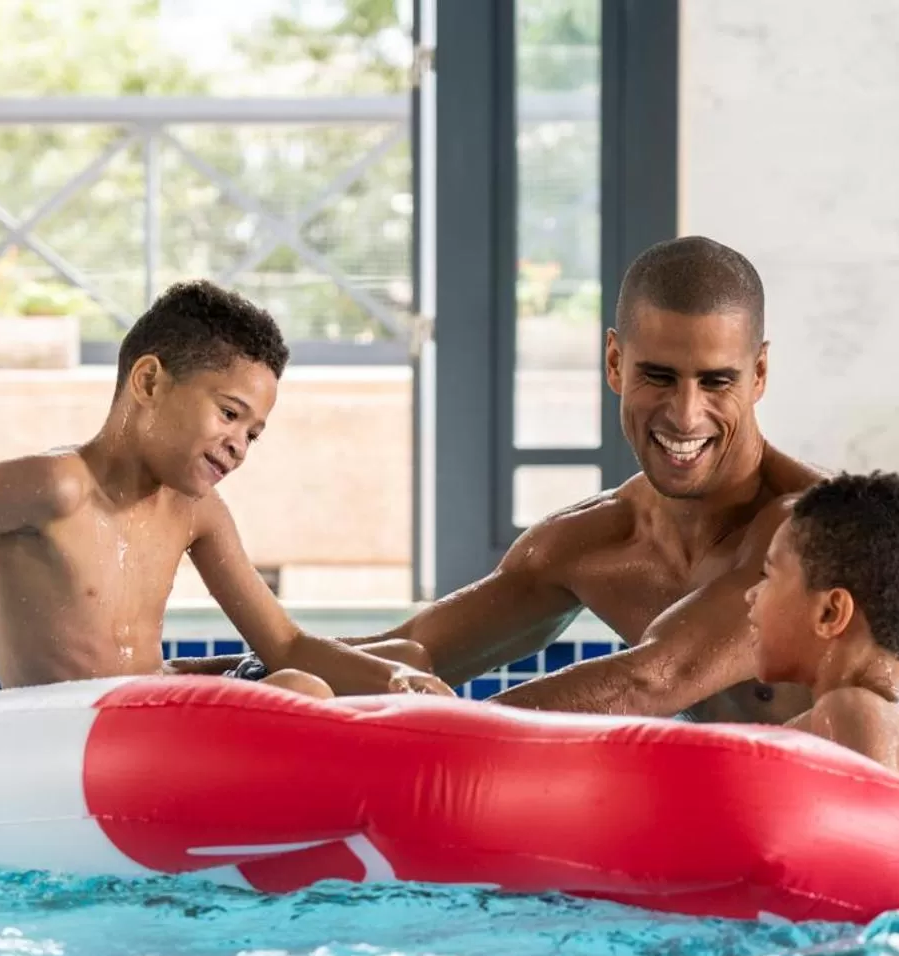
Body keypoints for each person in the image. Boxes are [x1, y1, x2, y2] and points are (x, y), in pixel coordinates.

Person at [0, 280, 451, 761]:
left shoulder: (195, 512)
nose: (239, 443)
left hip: (147, 710)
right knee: (301, 694)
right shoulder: (55, 487)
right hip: (61, 733)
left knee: (395, 664)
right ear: (149, 382)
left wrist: (395, 687)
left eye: (255, 432)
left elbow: (286, 643)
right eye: (229, 413)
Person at [175, 235, 832, 723]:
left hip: (875, 881)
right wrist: (178, 678)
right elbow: (411, 655)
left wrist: (450, 736)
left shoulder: (818, 532)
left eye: (717, 381)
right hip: (728, 866)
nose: (686, 414)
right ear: (613, 362)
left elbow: (651, 680)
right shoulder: (587, 545)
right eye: (658, 376)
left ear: (760, 376)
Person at [745, 472, 899, 794]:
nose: (751, 594)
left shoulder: (849, 710)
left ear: (830, 612)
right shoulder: (893, 718)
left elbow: (873, 841)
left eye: (768, 575)